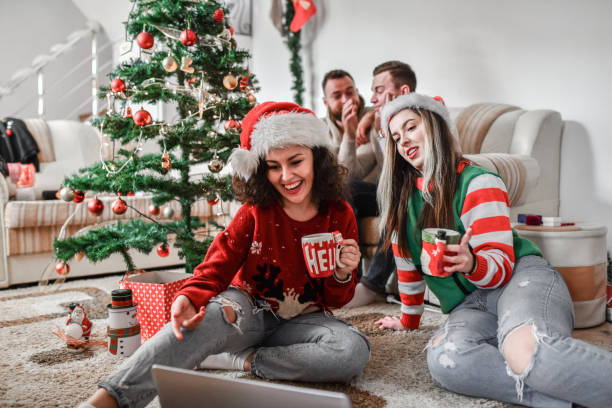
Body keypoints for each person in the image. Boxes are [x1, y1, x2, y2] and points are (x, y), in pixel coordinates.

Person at [81, 102, 370, 408]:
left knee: (352, 350)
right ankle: (109, 399)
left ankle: (240, 360)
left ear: (317, 158)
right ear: (260, 168)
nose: (286, 176)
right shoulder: (255, 212)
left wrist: (342, 273)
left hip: (304, 322)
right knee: (206, 318)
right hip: (248, 311)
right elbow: (217, 265)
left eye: (296, 161)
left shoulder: (339, 214)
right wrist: (190, 297)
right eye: (273, 166)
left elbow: (337, 300)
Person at [374, 93, 612, 407]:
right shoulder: (402, 204)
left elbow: (500, 267)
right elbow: (408, 269)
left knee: (523, 351)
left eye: (411, 127)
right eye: (396, 137)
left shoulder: (478, 181)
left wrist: (471, 263)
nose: (404, 140)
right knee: (447, 359)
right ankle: (564, 400)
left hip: (520, 280)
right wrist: (408, 320)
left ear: (435, 127)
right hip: (469, 307)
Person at [344, 61, 417, 307]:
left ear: (403, 93)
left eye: (378, 90)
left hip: (415, 195)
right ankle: (349, 275)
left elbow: (407, 172)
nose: (372, 98)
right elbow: (348, 171)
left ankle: (373, 285)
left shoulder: (422, 120)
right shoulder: (378, 123)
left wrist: (378, 123)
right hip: (391, 193)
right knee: (344, 186)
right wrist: (354, 130)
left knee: (400, 196)